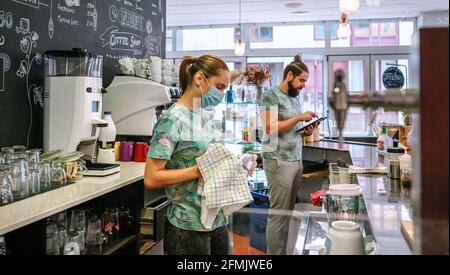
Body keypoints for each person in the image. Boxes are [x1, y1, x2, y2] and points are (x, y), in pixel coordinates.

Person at [144, 55, 231, 255]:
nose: (222, 94)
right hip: (187, 224)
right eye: (219, 87)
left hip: (217, 219)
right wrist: (196, 171)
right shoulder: (172, 120)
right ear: (200, 78)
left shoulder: (205, 115)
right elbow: (151, 177)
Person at [259, 54, 318, 255]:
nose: (303, 85)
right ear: (289, 75)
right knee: (278, 215)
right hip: (277, 161)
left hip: (295, 159)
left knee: (288, 212)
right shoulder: (271, 96)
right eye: (301, 80)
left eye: (305, 82)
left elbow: (290, 128)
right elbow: (269, 127)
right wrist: (299, 118)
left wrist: (306, 129)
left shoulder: (294, 97)